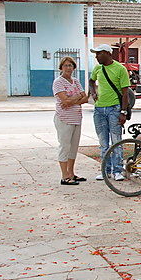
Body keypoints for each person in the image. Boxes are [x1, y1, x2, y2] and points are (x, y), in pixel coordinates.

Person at [89, 44, 131, 181]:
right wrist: (93, 92)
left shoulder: (120, 69)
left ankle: (117, 170)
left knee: (116, 141)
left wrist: (123, 112)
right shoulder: (97, 68)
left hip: (114, 109)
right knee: (103, 142)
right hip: (99, 109)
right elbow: (91, 81)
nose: (96, 57)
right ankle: (105, 170)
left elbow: (125, 94)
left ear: (107, 53)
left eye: (98, 54)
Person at [52, 57, 88, 185]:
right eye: (66, 65)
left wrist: (72, 99)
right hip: (64, 119)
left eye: (70, 65)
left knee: (73, 147)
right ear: (61, 67)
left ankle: (71, 173)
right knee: (65, 146)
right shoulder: (58, 82)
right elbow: (64, 101)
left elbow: (85, 98)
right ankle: (64, 175)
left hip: (76, 118)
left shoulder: (76, 81)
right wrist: (76, 97)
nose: (68, 68)